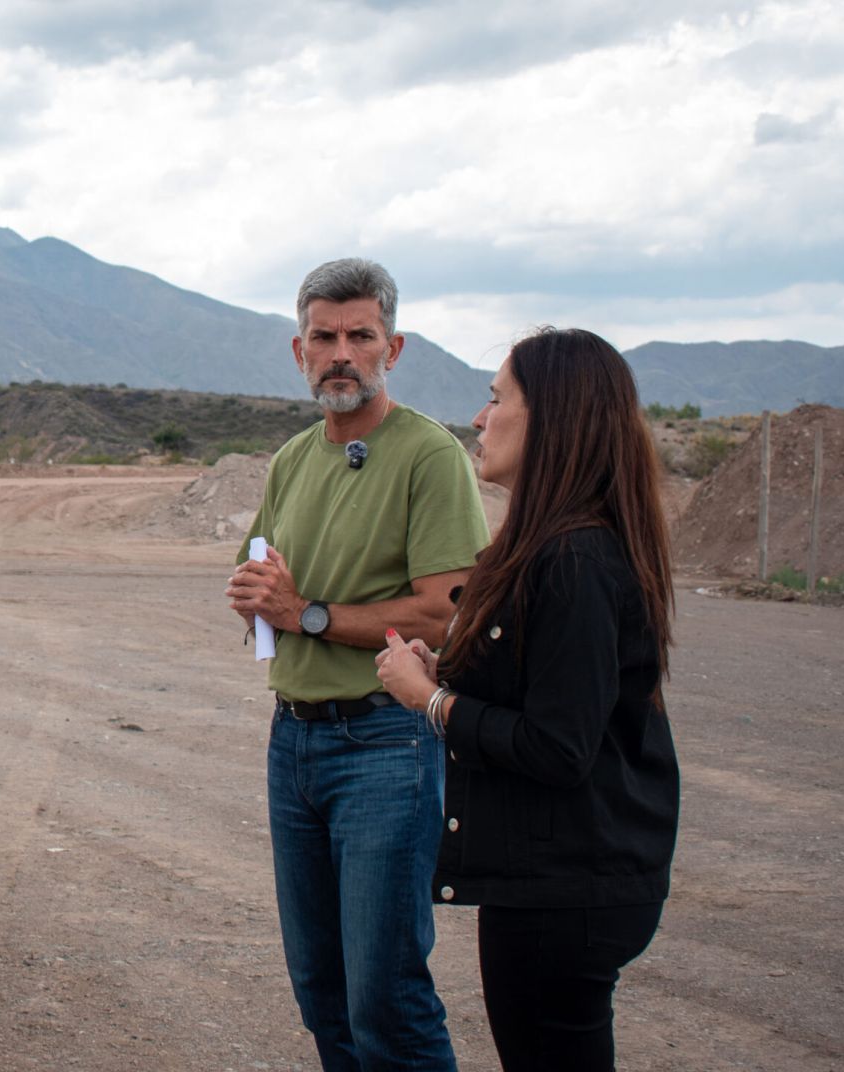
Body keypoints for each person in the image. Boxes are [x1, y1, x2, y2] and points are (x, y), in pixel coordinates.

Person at [375, 328, 679, 1071]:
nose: (480, 419)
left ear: (554, 416)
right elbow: (548, 686)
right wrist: (448, 671)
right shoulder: (561, 546)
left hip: (565, 889)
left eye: (495, 397)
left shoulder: (572, 556)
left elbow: (558, 745)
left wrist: (429, 702)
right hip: (567, 880)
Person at [226, 258, 488, 1071]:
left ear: (394, 348)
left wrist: (307, 615)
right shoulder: (292, 460)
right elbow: (268, 577)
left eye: (360, 336)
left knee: (385, 994)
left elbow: (448, 615)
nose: (341, 353)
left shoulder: (429, 456)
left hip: (384, 747)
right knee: (322, 989)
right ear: (297, 349)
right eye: (324, 336)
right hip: (293, 742)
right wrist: (256, 595)